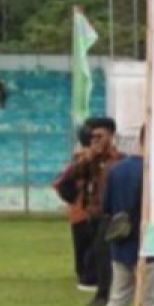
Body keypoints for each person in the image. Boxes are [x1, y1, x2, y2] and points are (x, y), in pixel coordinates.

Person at [80, 126, 154, 306]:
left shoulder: (117, 170)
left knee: (117, 299)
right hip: (150, 246)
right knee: (153, 303)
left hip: (120, 246)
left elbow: (107, 207)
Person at [69, 117, 123, 306]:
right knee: (90, 258)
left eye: (99, 136)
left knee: (104, 252)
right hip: (87, 214)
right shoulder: (85, 160)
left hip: (110, 214)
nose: (95, 141)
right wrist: (88, 158)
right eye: (92, 137)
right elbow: (65, 180)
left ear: (111, 136)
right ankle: (102, 290)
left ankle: (104, 294)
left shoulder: (118, 160)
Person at [53, 124, 99, 290]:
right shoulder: (86, 160)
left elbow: (59, 182)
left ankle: (83, 275)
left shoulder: (75, 159)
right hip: (86, 210)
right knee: (91, 246)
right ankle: (88, 278)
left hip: (77, 211)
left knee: (82, 246)